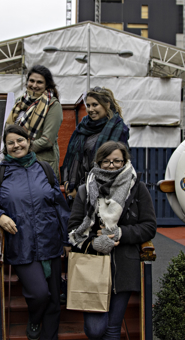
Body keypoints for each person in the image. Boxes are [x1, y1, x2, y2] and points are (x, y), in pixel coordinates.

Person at [0, 125, 71, 340]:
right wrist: (0, 216)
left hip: (50, 242)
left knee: (54, 300)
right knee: (39, 294)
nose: (16, 145)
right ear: (6, 146)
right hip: (21, 244)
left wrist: (66, 239)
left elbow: (60, 206)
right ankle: (35, 319)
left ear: (29, 141)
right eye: (11, 142)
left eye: (20, 140)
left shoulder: (45, 169)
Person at [67, 141, 157, 340]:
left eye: (117, 161)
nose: (112, 165)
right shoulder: (85, 190)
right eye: (106, 161)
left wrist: (121, 233)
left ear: (125, 161)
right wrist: (93, 242)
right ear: (98, 162)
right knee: (95, 329)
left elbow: (149, 226)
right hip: (92, 265)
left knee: (113, 329)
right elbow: (73, 227)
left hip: (123, 266)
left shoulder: (137, 188)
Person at [61, 87, 129, 202]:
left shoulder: (118, 129)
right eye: (88, 105)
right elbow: (71, 157)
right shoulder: (83, 127)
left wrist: (86, 188)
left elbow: (118, 165)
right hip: (77, 190)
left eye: (95, 105)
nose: (90, 109)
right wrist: (67, 181)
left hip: (105, 191)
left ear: (107, 105)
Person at [6, 65, 63, 178]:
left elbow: (47, 140)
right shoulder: (20, 102)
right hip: (17, 162)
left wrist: (20, 148)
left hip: (40, 165)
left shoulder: (53, 105)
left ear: (47, 85)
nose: (34, 85)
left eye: (39, 82)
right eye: (31, 81)